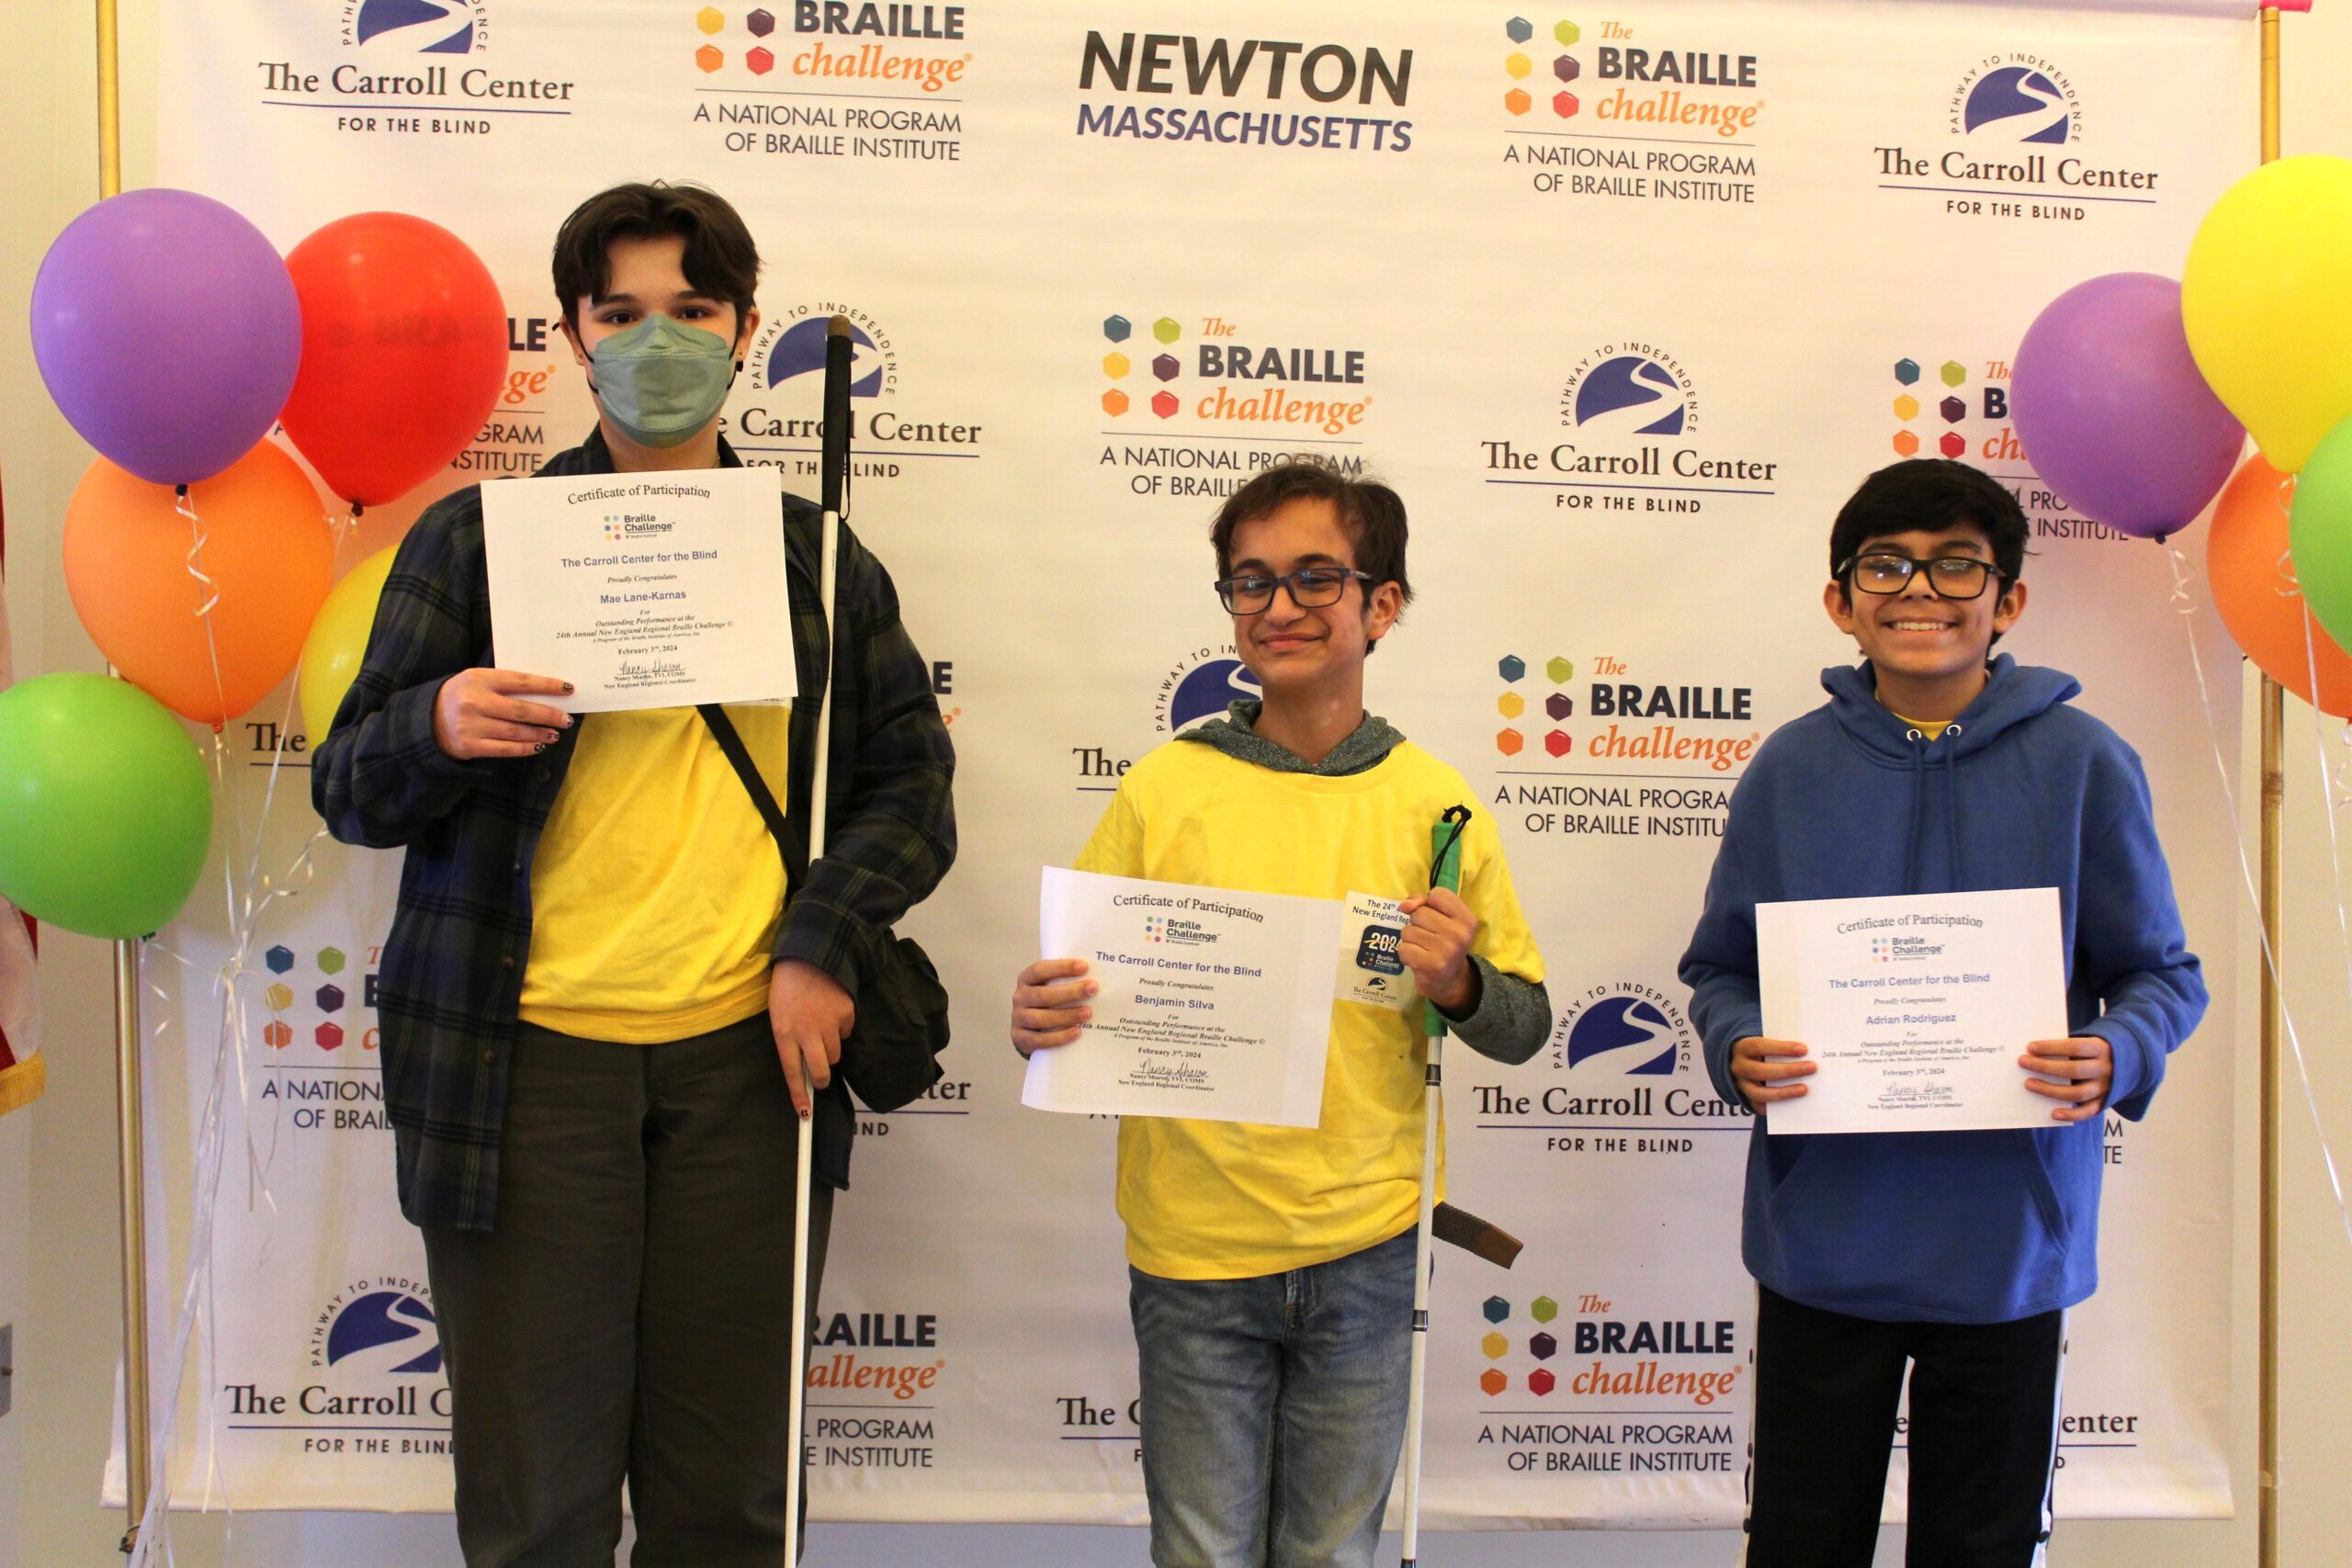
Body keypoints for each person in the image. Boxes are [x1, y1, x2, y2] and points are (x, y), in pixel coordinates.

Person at [312, 181, 956, 1567]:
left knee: (725, 1501)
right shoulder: (474, 542)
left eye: (692, 310)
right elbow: (347, 786)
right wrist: (437, 723)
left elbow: (912, 790)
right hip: (522, 1069)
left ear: (745, 331)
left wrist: (821, 937)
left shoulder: (820, 559)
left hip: (750, 1066)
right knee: (537, 1502)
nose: (655, 339)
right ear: (567, 335)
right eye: (621, 312)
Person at [1010, 463, 1549, 1568]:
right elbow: (1080, 993)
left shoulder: (1436, 805)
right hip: (1194, 1244)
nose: (1279, 608)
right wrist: (1044, 1017)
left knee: (1331, 1553)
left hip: (1370, 1244)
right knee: (1203, 1550)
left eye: (1314, 578)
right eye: (1249, 583)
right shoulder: (1165, 786)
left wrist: (1458, 984)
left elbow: (1525, 1024)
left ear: (1381, 605)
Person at [1678, 458, 2205, 1567]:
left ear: (2007, 599)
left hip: (2005, 1249)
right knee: (1799, 1545)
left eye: (1955, 563)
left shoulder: (2085, 765)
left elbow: (2164, 977)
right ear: (1840, 599)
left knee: (1982, 1545)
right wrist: (1736, 1046)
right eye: (1886, 565)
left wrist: (2115, 1052)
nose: (1920, 589)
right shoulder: (1787, 769)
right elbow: (1722, 972)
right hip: (1825, 1240)